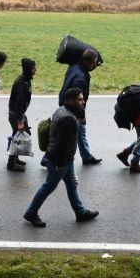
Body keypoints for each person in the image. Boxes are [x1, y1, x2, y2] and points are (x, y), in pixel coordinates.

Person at [23, 88, 99, 228]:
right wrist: (59, 164)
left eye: (83, 99)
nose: (83, 102)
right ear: (70, 101)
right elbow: (62, 144)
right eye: (80, 100)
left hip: (63, 159)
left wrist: (80, 111)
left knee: (72, 184)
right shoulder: (68, 119)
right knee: (48, 186)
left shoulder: (61, 110)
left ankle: (80, 212)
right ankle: (31, 212)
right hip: (60, 160)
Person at [58, 49, 102, 165]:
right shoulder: (80, 77)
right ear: (86, 61)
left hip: (66, 104)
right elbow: (79, 99)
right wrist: (81, 115)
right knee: (66, 135)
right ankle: (47, 158)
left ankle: (86, 156)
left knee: (80, 132)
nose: (93, 66)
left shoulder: (74, 67)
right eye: (93, 63)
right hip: (72, 109)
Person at [7, 58, 36, 172]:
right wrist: (20, 121)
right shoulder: (22, 83)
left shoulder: (25, 80)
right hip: (17, 115)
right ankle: (11, 163)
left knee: (22, 134)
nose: (35, 70)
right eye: (33, 68)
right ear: (29, 69)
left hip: (19, 114)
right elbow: (19, 103)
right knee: (17, 138)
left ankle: (15, 158)